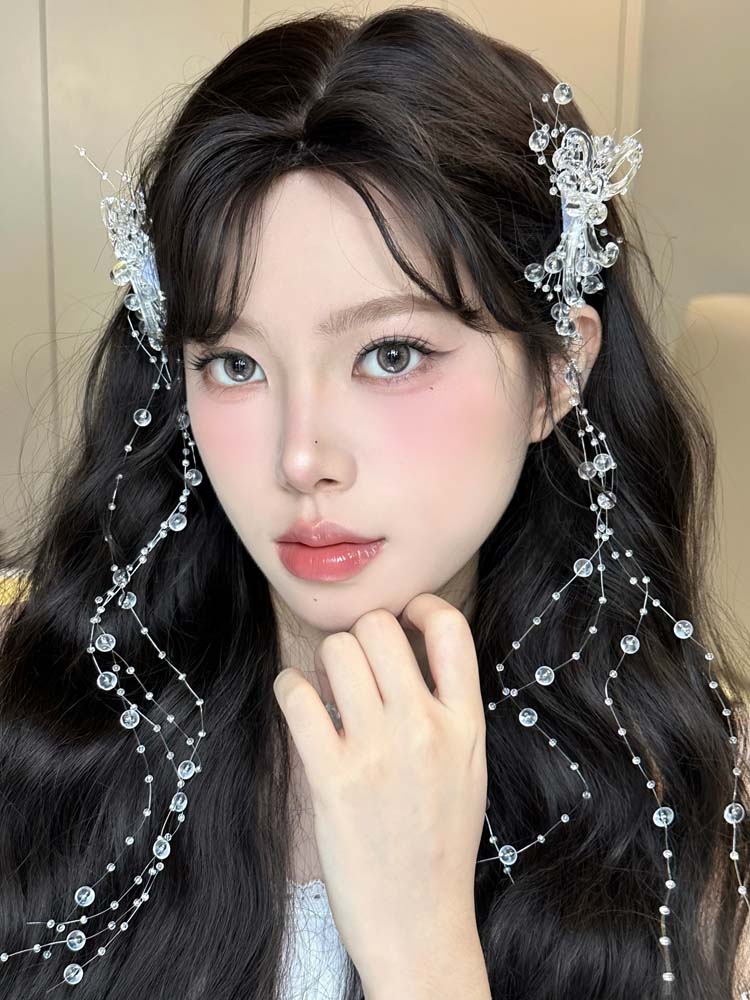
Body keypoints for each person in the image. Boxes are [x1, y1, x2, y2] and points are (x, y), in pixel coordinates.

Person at [1, 7, 748, 999]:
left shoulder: (692, 795)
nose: (301, 457)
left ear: (557, 370)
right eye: (234, 363)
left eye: (390, 354)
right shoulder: (47, 735)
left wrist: (420, 945)